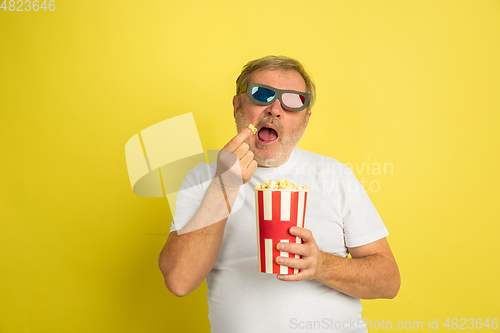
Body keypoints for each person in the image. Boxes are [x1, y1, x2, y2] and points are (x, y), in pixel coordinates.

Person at [158, 55, 400, 333]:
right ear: (237, 105)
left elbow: (389, 281)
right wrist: (224, 186)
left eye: (293, 101)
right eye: (262, 94)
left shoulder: (335, 176)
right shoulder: (203, 179)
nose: (275, 109)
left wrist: (322, 265)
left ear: (305, 120)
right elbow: (179, 280)